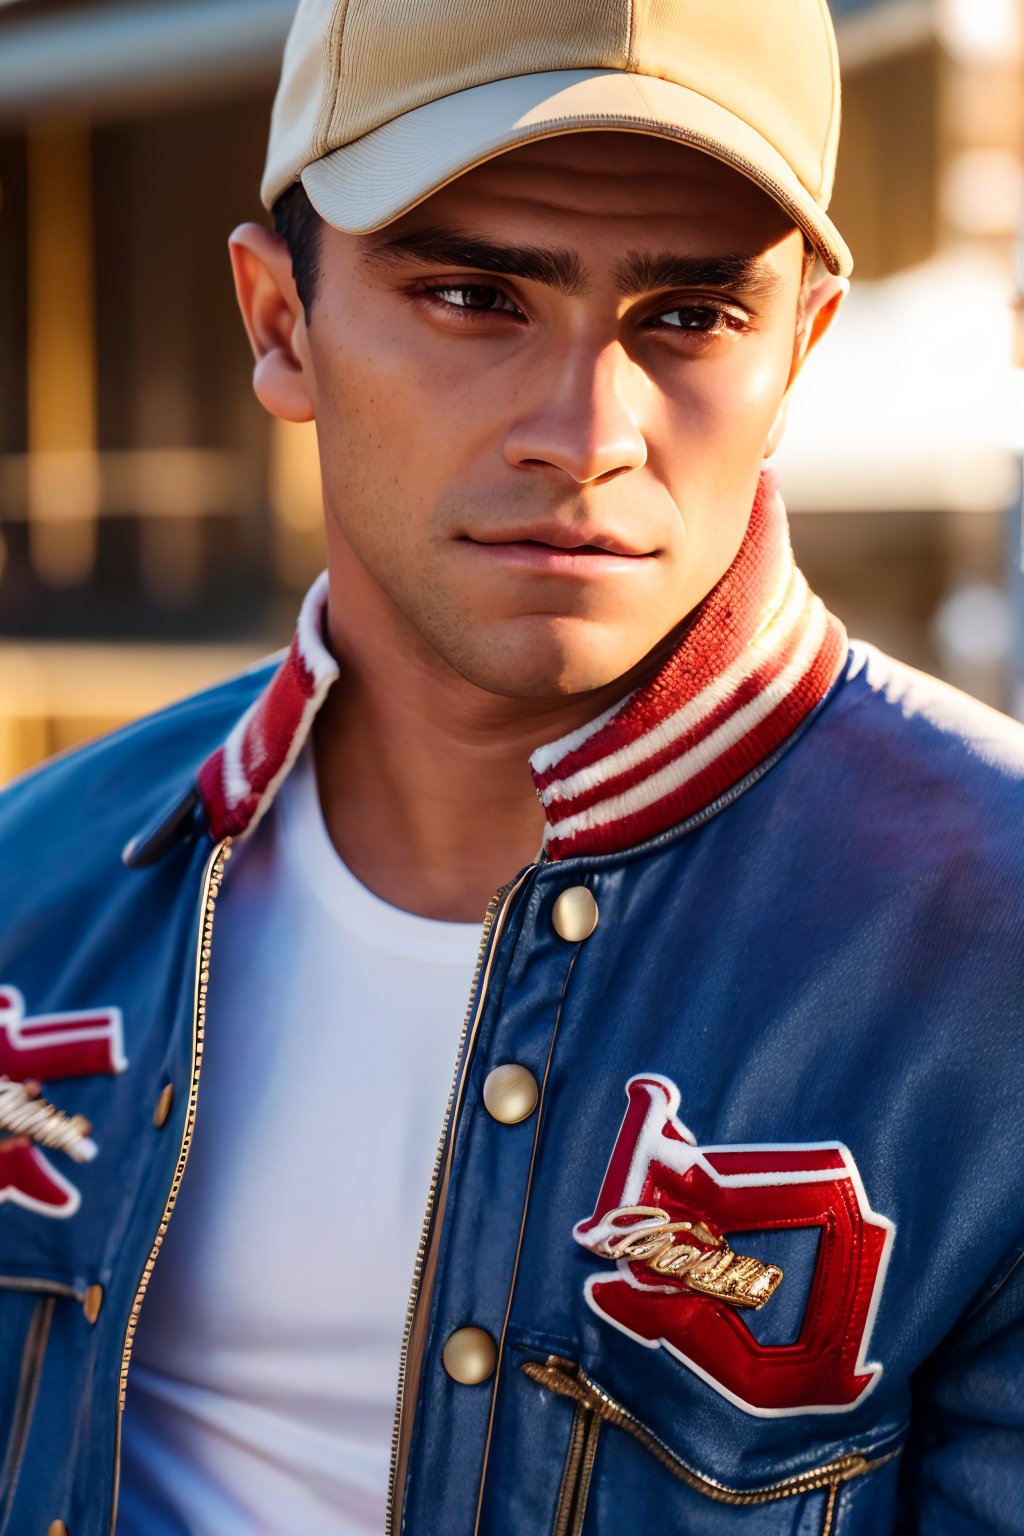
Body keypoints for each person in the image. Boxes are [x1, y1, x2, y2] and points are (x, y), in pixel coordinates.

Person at [0, 0, 1022, 1531]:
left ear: (801, 345)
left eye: (689, 316)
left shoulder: (988, 946)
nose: (586, 430)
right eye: (478, 296)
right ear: (280, 323)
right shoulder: (39, 889)